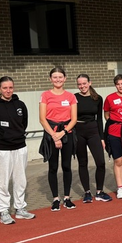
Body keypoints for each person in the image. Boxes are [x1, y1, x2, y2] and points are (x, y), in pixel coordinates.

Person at [0, 76, 36, 224]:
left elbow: (23, 124)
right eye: (5, 88)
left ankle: (20, 209)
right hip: (2, 149)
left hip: (20, 147)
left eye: (10, 88)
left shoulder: (20, 104)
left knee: (20, 180)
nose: (8, 91)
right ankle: (3, 211)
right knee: (2, 182)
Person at [39, 66, 78, 210]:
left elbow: (74, 119)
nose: (58, 80)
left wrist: (63, 133)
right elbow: (42, 119)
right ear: (50, 79)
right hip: (51, 133)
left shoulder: (71, 96)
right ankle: (55, 198)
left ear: (65, 79)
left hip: (66, 133)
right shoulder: (45, 95)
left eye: (60, 77)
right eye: (55, 77)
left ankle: (67, 197)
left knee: (66, 166)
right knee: (53, 167)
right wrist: (54, 136)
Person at [75, 74, 111, 203]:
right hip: (78, 131)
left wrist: (102, 137)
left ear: (90, 83)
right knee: (82, 162)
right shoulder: (74, 98)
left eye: (84, 83)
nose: (82, 86)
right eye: (79, 84)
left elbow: (100, 119)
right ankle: (87, 192)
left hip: (93, 131)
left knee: (100, 162)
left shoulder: (97, 98)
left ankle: (99, 191)